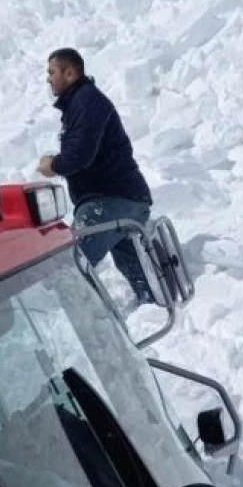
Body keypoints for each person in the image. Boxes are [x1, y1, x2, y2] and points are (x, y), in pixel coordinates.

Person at [37, 48, 155, 307]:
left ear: (70, 73)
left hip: (111, 202)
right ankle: (153, 307)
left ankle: (93, 330)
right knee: (137, 275)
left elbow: (80, 155)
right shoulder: (81, 103)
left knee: (72, 265)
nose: (48, 79)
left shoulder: (87, 102)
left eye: (52, 72)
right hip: (121, 200)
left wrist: (53, 165)